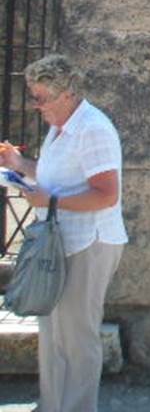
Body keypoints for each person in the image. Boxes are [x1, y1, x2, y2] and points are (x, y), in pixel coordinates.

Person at [0, 54, 127, 412]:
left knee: (77, 336)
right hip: (61, 242)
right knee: (53, 334)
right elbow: (55, 175)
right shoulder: (61, 128)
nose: (36, 106)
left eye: (42, 98)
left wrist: (50, 200)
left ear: (67, 94)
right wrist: (18, 166)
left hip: (89, 242)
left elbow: (106, 194)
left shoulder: (93, 129)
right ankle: (52, 406)